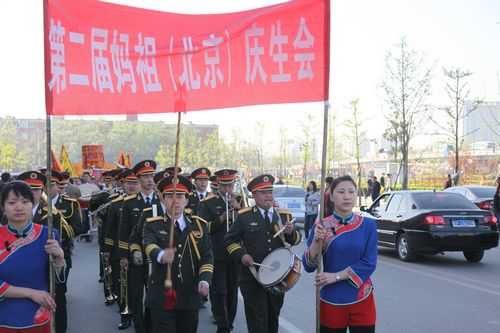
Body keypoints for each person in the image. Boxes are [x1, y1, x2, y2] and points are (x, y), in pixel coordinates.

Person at [225, 174, 301, 333]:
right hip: (252, 278)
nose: (268, 195)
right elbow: (229, 240)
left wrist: (290, 233)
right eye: (263, 192)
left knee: (273, 317)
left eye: (270, 192)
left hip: (278, 278)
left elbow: (296, 240)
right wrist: (242, 256)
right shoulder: (245, 216)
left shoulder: (284, 215)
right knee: (257, 319)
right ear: (253, 195)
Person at [302, 175, 377, 333]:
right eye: (341, 192)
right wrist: (316, 241)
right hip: (331, 299)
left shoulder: (368, 225)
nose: (347, 196)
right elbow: (309, 265)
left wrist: (335, 276)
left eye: (351, 192)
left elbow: (369, 263)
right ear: (331, 195)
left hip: (361, 296)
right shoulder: (321, 225)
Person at [142, 175, 213, 333]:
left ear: (187, 200)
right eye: (170, 196)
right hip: (161, 296)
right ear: (163, 200)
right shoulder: (152, 224)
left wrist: (205, 279)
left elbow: (207, 256)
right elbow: (148, 245)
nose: (175, 201)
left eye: (180, 196)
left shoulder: (199, 225)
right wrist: (161, 255)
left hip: (189, 296)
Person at [0, 181, 67, 332]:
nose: (19, 207)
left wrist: (60, 258)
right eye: (11, 202)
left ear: (33, 204)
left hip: (38, 315)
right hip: (3, 315)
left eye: (25, 202)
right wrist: (31, 293)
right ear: (3, 208)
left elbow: (57, 278)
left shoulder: (48, 234)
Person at [201, 169, 244, 333]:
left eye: (230, 185)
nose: (227, 190)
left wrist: (238, 209)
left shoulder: (240, 200)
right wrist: (222, 218)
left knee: (232, 291)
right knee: (219, 291)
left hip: (235, 253)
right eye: (224, 186)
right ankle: (222, 326)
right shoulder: (207, 203)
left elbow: (249, 225)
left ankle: (229, 323)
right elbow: (203, 229)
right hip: (216, 253)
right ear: (218, 185)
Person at [119, 160, 158, 333]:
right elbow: (124, 231)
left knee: (153, 294)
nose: (150, 180)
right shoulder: (130, 202)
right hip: (136, 255)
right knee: (136, 294)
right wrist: (124, 256)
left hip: (155, 256)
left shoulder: (161, 200)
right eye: (145, 176)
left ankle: (150, 325)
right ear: (139, 179)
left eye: (152, 176)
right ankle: (140, 327)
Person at [103, 169, 139, 330]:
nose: (131, 186)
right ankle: (125, 315)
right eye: (128, 183)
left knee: (137, 286)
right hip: (120, 250)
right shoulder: (117, 203)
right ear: (123, 184)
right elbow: (109, 229)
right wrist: (107, 250)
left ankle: (140, 314)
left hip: (140, 251)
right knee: (122, 284)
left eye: (135, 183)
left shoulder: (146, 203)